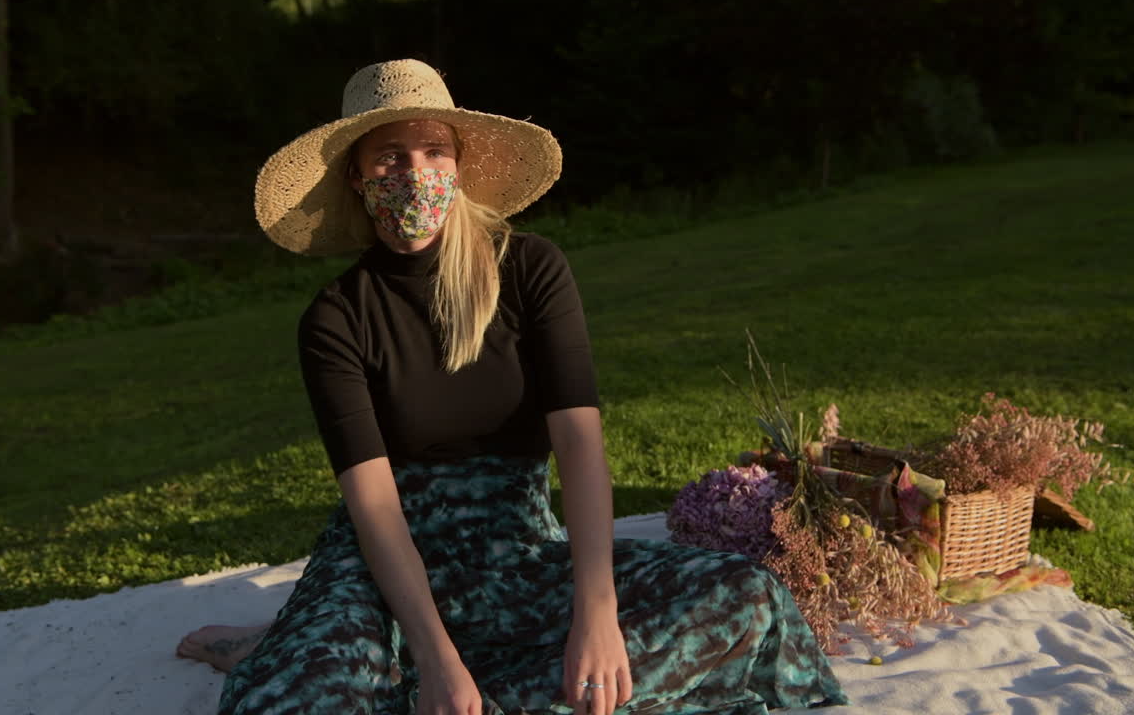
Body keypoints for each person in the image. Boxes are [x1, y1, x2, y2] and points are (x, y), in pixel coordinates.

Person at [177, 59, 846, 715]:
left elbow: (580, 447)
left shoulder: (528, 270)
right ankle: (306, 644)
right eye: (389, 158)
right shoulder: (336, 318)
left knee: (745, 596)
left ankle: (381, 667)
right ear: (356, 177)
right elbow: (374, 506)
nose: (415, 173)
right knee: (302, 698)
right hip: (386, 565)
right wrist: (438, 660)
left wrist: (598, 614)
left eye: (433, 150)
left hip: (516, 554)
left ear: (459, 164)